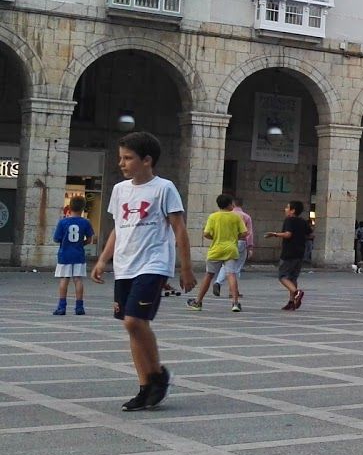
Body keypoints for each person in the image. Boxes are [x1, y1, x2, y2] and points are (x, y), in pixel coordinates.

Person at [91, 131, 193, 412]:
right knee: (133, 327)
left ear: (147, 160)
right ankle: (145, 386)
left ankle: (158, 374)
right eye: (120, 158)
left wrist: (185, 268)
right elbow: (117, 229)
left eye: (128, 158)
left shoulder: (164, 188)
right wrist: (102, 260)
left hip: (153, 263)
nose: (122, 163)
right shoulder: (120, 190)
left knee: (133, 321)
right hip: (125, 265)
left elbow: (179, 229)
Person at [188, 193, 246, 313]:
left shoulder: (213, 217)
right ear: (230, 204)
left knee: (209, 275)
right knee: (231, 274)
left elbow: (206, 233)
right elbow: (244, 233)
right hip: (231, 249)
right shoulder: (236, 217)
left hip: (216, 249)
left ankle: (198, 302)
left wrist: (215, 237)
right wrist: (234, 236)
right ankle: (235, 303)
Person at [263, 200, 312, 310]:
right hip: (300, 252)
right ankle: (292, 302)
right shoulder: (303, 221)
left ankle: (296, 292)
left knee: (283, 276)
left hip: (289, 252)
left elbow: (288, 234)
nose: (285, 209)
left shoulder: (289, 220)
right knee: (293, 277)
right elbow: (310, 234)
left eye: (287, 207)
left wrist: (274, 234)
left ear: (292, 210)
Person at [52, 196, 96, 316]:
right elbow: (90, 239)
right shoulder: (85, 222)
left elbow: (56, 239)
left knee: (64, 279)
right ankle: (79, 307)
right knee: (78, 279)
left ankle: (61, 307)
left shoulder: (63, 222)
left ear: (69, 207)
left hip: (64, 254)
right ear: (83, 208)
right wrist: (82, 243)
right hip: (78, 254)